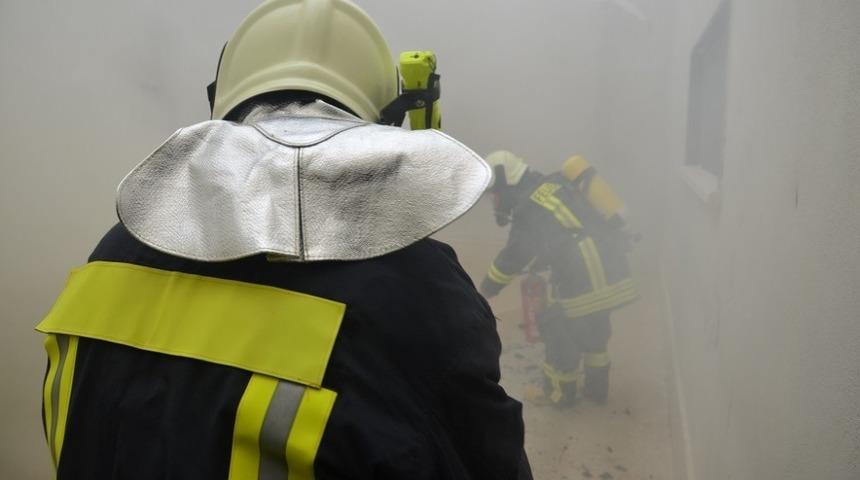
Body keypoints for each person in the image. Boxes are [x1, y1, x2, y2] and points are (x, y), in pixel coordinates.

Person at [36, 1, 532, 479]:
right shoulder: (416, 286)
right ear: (382, 117)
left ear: (224, 101)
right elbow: (481, 457)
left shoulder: (114, 252)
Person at [480, 150, 639, 407]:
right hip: (612, 272)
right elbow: (563, 232)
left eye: (494, 195)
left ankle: (559, 394)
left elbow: (513, 256)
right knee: (596, 334)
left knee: (559, 332)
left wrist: (486, 288)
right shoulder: (554, 183)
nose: (494, 202)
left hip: (583, 281)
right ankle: (597, 391)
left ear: (504, 182)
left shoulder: (527, 208)